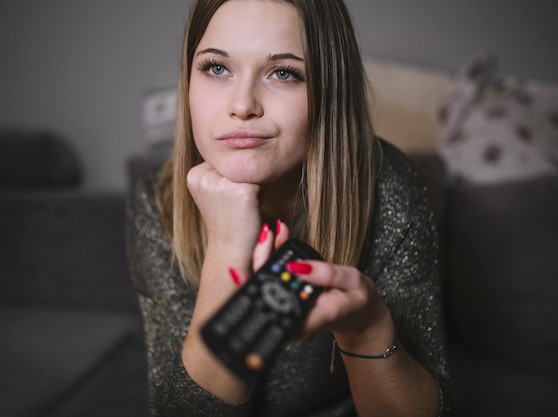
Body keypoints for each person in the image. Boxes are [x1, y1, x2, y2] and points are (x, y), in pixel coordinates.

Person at [126, 0, 454, 415]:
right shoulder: (156, 198)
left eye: (283, 73)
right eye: (216, 68)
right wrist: (227, 246)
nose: (242, 105)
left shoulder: (388, 184)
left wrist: (366, 330)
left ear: (327, 92)